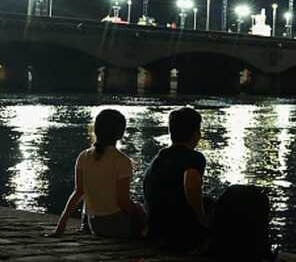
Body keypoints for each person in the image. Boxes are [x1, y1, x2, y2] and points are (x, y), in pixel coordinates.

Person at [52, 109, 146, 238]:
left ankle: (84, 228)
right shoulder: (122, 160)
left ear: (96, 130)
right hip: (118, 226)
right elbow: (122, 201)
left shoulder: (83, 156)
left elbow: (78, 192)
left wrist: (61, 225)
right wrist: (138, 215)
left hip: (94, 224)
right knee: (140, 208)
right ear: (120, 133)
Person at [143, 107, 210, 252]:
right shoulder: (195, 157)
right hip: (180, 236)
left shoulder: (158, 159)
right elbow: (191, 185)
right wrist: (202, 219)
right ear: (195, 134)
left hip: (157, 232)